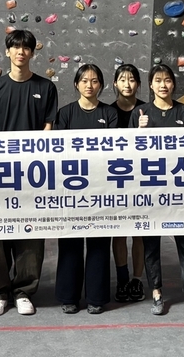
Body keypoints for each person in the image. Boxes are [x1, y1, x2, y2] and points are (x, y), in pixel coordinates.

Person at [0, 29, 58, 316]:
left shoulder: (45, 87)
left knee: (30, 231)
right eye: (15, 47)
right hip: (0, 173)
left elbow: (48, 128)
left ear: (32, 53)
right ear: (8, 51)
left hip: (32, 174)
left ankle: (24, 290)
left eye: (26, 48)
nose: (20, 52)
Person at [130, 64, 184, 318]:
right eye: (158, 80)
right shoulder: (140, 113)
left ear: (173, 84)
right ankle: (156, 292)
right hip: (151, 190)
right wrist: (138, 132)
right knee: (151, 245)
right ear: (150, 85)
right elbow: (129, 154)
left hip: (179, 189)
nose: (163, 85)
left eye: (168, 80)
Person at [55, 64, 118, 314]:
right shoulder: (65, 113)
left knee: (99, 245)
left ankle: (96, 298)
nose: (89, 85)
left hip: (101, 188)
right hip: (71, 189)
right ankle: (68, 297)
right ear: (76, 84)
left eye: (94, 81)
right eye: (84, 81)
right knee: (69, 244)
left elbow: (114, 150)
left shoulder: (109, 114)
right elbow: (58, 151)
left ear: (100, 85)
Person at [109, 64, 147, 303]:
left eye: (131, 80)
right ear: (115, 84)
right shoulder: (108, 112)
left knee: (139, 231)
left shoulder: (147, 111)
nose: (127, 84)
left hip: (141, 180)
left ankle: (137, 279)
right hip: (116, 180)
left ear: (138, 84)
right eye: (122, 79)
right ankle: (122, 279)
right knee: (120, 232)